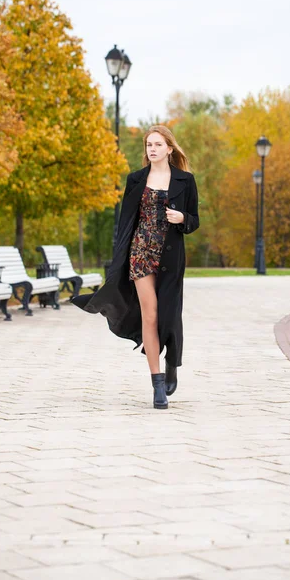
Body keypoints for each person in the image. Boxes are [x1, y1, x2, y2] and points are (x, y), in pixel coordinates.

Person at [71, 125, 199, 409]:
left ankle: (172, 361)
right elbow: (126, 222)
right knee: (150, 317)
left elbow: (194, 220)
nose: (152, 149)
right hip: (140, 253)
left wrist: (182, 219)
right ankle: (157, 385)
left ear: (169, 148)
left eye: (157, 144)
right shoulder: (136, 180)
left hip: (170, 258)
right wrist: (119, 258)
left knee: (169, 315)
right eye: (148, 145)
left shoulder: (185, 180)